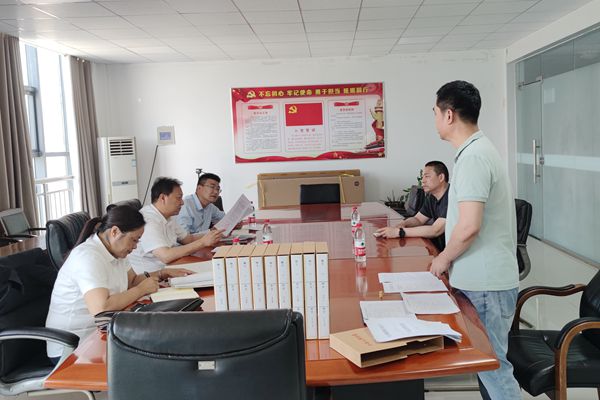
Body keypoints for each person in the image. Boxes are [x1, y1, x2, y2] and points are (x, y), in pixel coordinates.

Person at [429, 80, 521, 399]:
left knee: (493, 368)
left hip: (486, 284)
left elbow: (469, 226)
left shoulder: (474, 158)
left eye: (435, 112)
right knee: (489, 367)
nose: (435, 120)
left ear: (449, 115)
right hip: (485, 281)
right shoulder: (476, 151)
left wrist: (442, 259)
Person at [45, 205, 191, 363]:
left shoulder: (116, 250)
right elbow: (101, 308)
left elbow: (132, 281)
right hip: (74, 347)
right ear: (115, 232)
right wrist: (141, 290)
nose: (135, 246)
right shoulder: (88, 256)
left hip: (102, 333)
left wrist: (162, 273)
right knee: (153, 357)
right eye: (134, 240)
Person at [129, 177, 223, 273]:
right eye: (178, 198)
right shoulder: (148, 220)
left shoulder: (168, 216)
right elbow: (165, 256)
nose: (182, 202)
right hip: (153, 275)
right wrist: (202, 242)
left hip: (172, 267)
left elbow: (188, 239)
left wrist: (213, 234)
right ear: (163, 198)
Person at [376, 161, 449, 251]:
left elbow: (435, 230)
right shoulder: (432, 197)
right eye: (422, 177)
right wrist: (403, 224)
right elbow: (418, 219)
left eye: (427, 176)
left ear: (441, 177)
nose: (423, 181)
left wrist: (400, 232)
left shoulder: (451, 198)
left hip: (453, 253)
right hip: (440, 248)